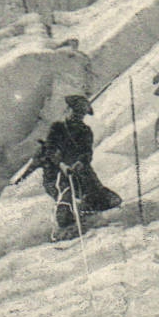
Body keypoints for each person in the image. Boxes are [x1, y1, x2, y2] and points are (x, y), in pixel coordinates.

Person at [38, 95, 121, 232]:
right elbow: (50, 151)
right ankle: (64, 228)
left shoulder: (85, 132)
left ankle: (88, 218)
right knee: (65, 197)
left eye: (81, 114)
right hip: (56, 175)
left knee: (103, 197)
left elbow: (87, 153)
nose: (78, 116)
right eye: (75, 112)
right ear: (68, 110)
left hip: (80, 173)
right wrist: (62, 165)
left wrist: (80, 162)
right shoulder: (57, 128)